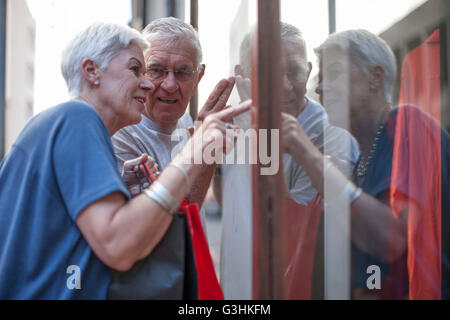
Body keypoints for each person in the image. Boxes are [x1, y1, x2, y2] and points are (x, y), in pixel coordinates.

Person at [0, 22, 251, 299]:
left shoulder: (70, 125)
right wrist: (195, 154)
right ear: (91, 71)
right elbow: (118, 246)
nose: (147, 83)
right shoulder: (75, 118)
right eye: (137, 69)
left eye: (147, 71)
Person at [285, 29, 449, 299]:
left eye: (334, 73)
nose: (319, 87)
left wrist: (311, 158)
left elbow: (392, 239)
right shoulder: (363, 160)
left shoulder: (409, 124)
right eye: (320, 77)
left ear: (375, 76)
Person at [217, 22, 360, 299]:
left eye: (293, 72)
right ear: (242, 76)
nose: (283, 86)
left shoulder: (332, 136)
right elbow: (229, 206)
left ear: (307, 71)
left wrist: (258, 134)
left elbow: (292, 233)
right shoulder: (239, 122)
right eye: (268, 72)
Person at [112, 17, 235, 209]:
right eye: (157, 70)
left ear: (198, 76)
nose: (170, 85)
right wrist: (204, 149)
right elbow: (172, 222)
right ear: (138, 73)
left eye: (182, 72)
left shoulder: (184, 120)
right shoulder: (119, 133)